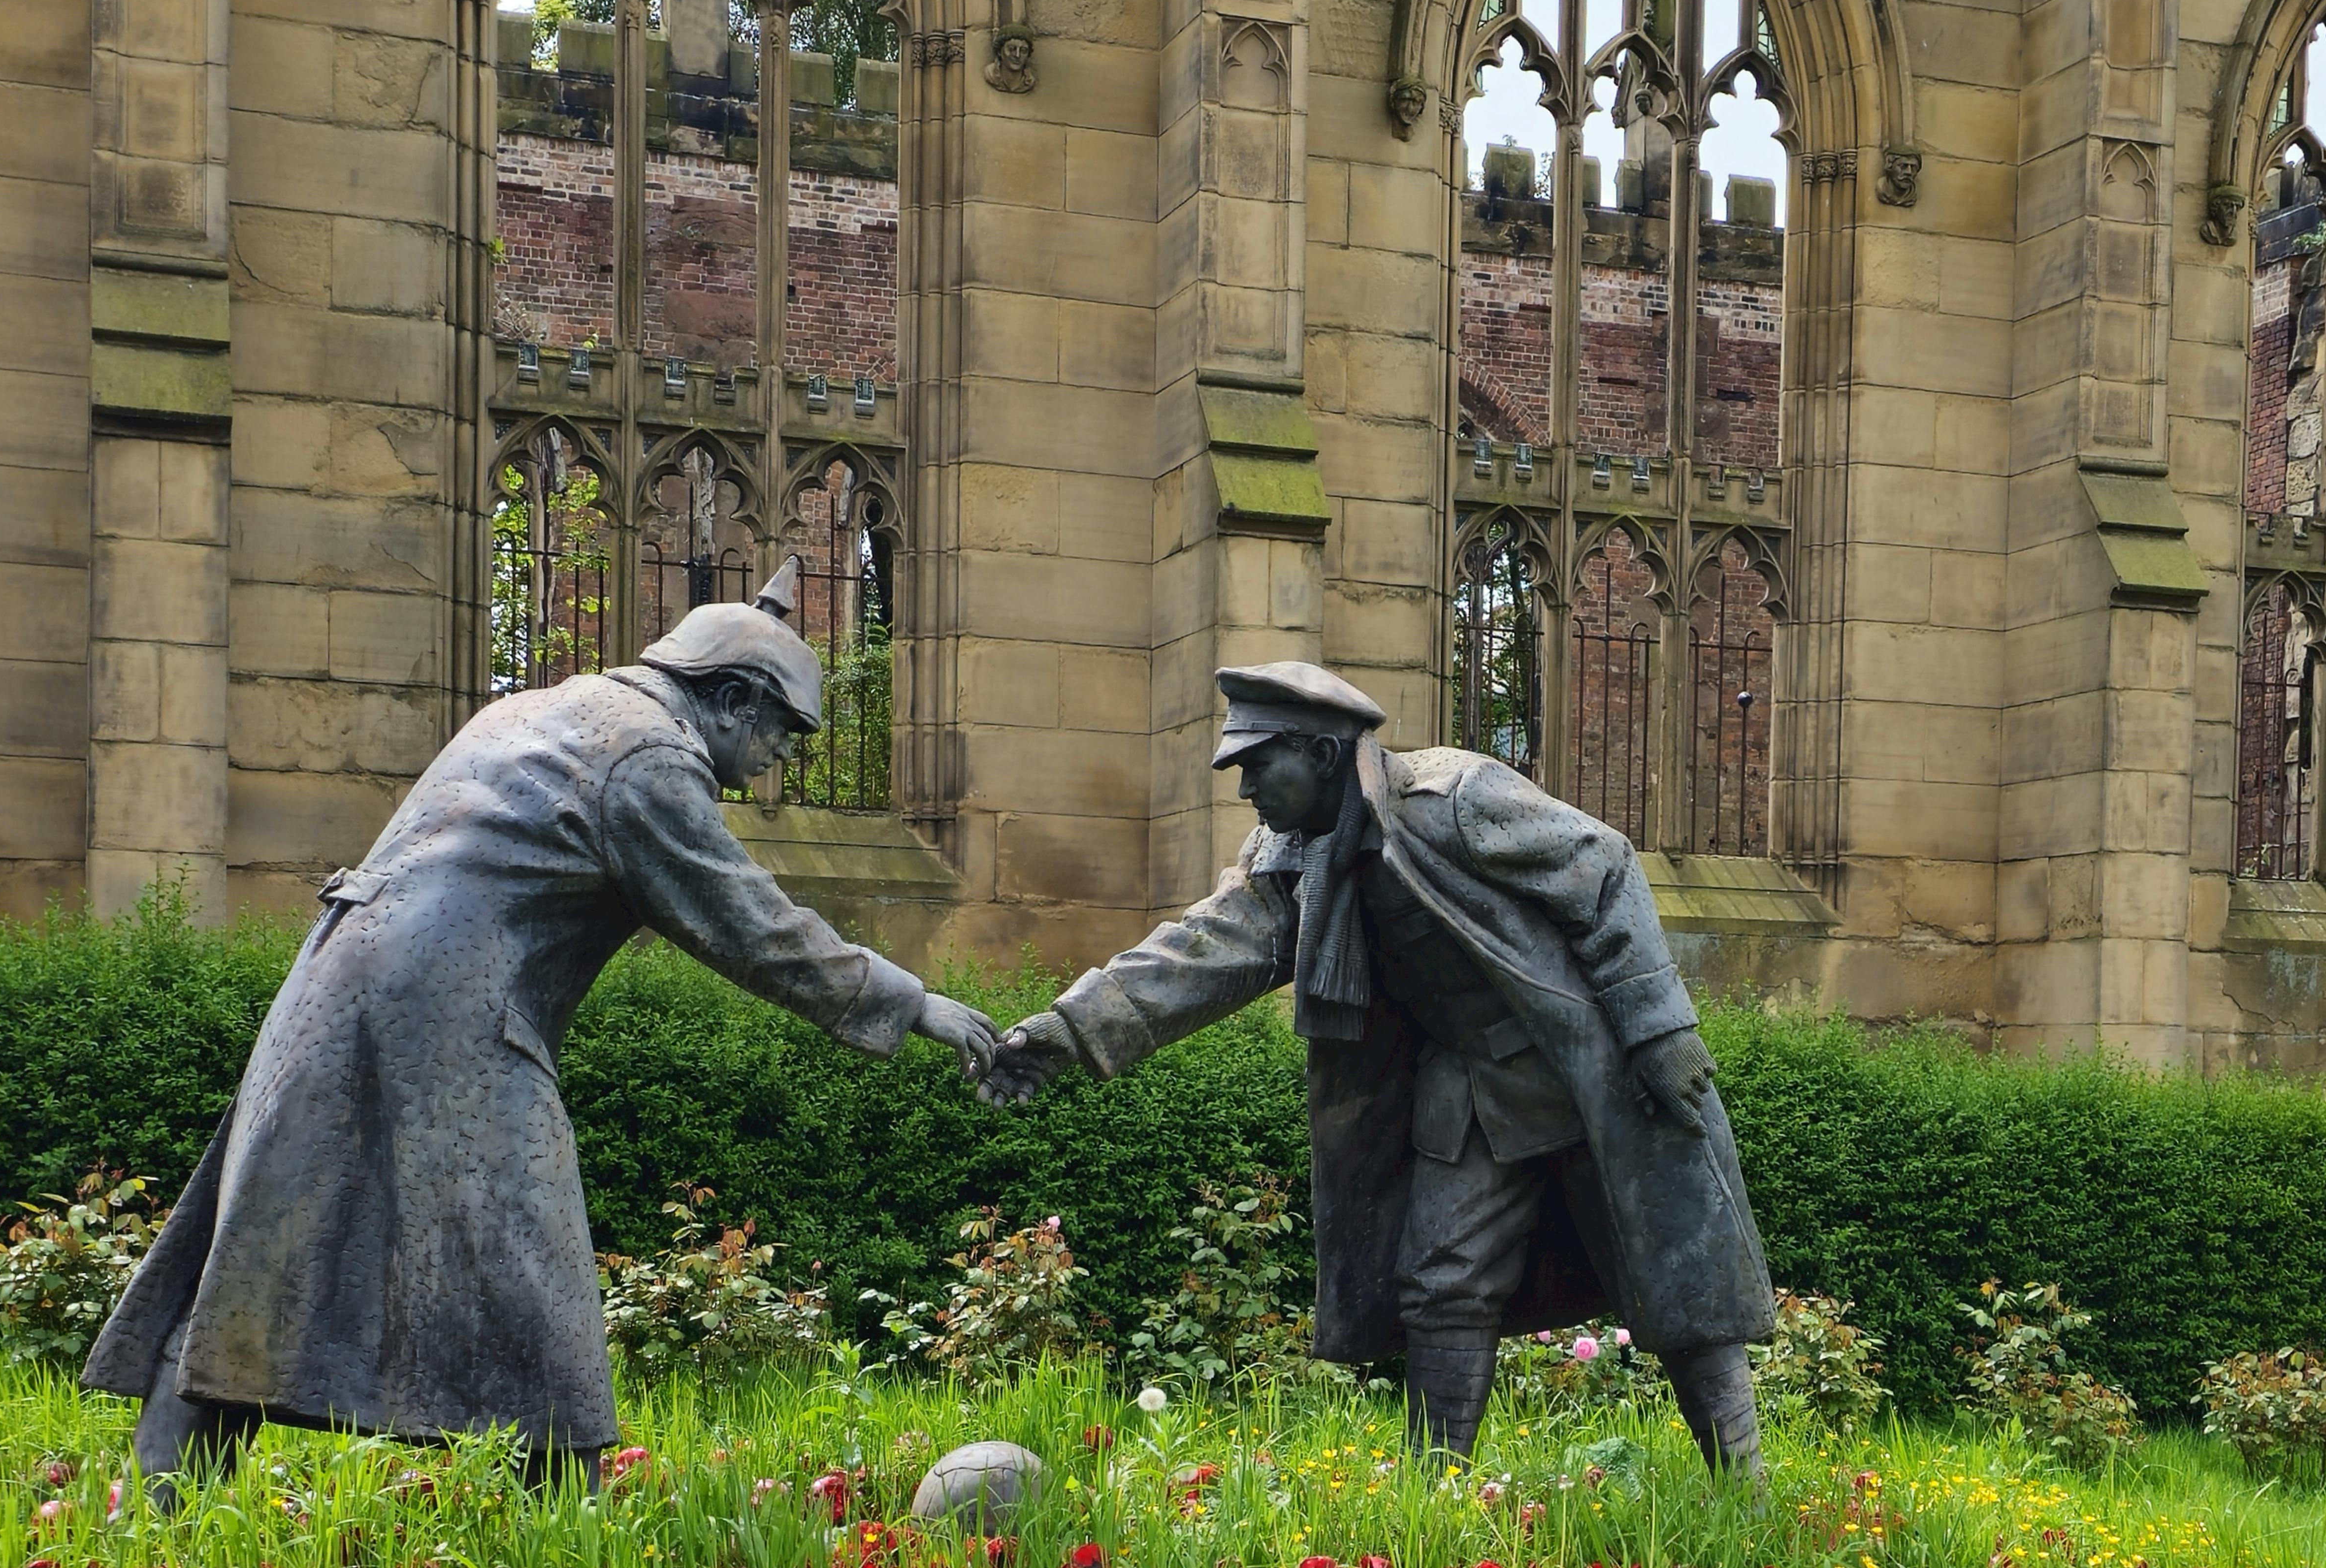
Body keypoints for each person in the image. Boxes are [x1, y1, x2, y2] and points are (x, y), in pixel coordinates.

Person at [85, 564, 998, 1489]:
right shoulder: (648, 757)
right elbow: (750, 925)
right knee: (533, 1266)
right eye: (781, 734)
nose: (780, 760)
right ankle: (569, 1534)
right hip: (453, 1015)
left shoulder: (539, 709)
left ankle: (158, 1523)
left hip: (333, 983)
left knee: (263, 1245)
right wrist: (913, 1002)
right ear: (730, 698)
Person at [977, 661, 1773, 1466]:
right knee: (1440, 1282)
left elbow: (1603, 865)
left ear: (1322, 754)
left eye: (1258, 763)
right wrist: (1064, 1029)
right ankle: (1436, 1498)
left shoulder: (1455, 796)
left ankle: (1746, 1496)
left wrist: (1660, 1029)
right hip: (1470, 1091)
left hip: (1593, 1074)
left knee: (1676, 1278)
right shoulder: (1287, 856)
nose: (1246, 784)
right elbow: (1199, 951)